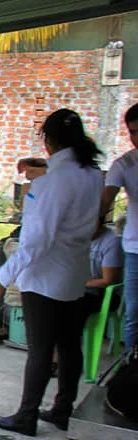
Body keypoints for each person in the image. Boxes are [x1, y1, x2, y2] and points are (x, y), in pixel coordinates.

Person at [0, 108, 104, 435]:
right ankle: (63, 409)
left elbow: (36, 241)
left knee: (40, 349)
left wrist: (2, 276)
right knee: (69, 345)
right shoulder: (93, 175)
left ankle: (26, 415)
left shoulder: (52, 184)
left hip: (44, 277)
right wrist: (45, 169)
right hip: (75, 272)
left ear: (48, 141)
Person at [100, 102, 138, 351]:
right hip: (136, 249)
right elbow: (105, 201)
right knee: (134, 312)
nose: (136, 138)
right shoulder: (124, 164)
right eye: (133, 132)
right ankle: (130, 368)